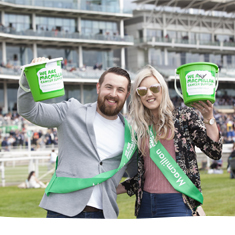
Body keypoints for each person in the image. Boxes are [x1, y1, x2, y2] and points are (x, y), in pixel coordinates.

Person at [17, 57, 137, 219]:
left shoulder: (131, 135)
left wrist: (114, 188)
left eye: (120, 90)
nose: (113, 94)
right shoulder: (71, 110)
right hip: (62, 212)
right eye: (109, 87)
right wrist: (29, 76)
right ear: (98, 87)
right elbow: (30, 111)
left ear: (127, 94)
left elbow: (140, 175)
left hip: (104, 216)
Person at [116, 65, 222, 218]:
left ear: (163, 89)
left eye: (154, 88)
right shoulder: (140, 128)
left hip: (178, 202)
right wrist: (110, 188)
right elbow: (143, 176)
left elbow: (215, 151)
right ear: (138, 96)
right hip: (145, 203)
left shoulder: (185, 117)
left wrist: (208, 118)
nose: (149, 94)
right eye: (142, 91)